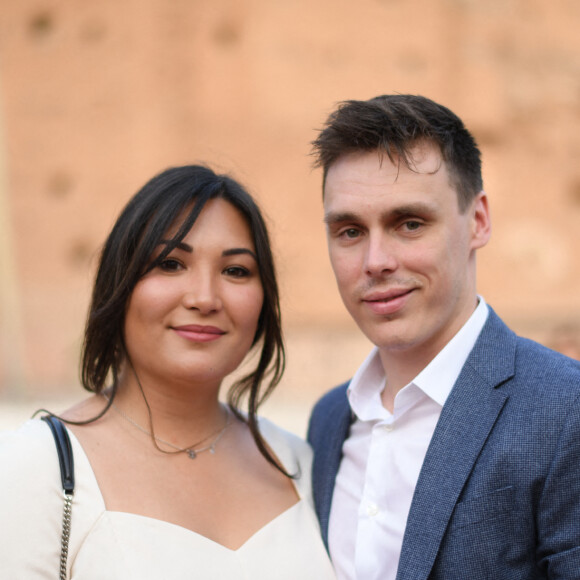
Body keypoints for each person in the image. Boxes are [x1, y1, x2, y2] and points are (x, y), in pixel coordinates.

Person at [0, 165, 335, 579]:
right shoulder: (37, 466)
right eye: (171, 264)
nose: (204, 298)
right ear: (118, 284)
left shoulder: (297, 462)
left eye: (235, 271)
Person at [307, 94, 580, 579]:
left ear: (477, 221)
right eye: (349, 231)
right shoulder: (328, 421)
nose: (376, 261)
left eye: (409, 224)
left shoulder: (565, 410)